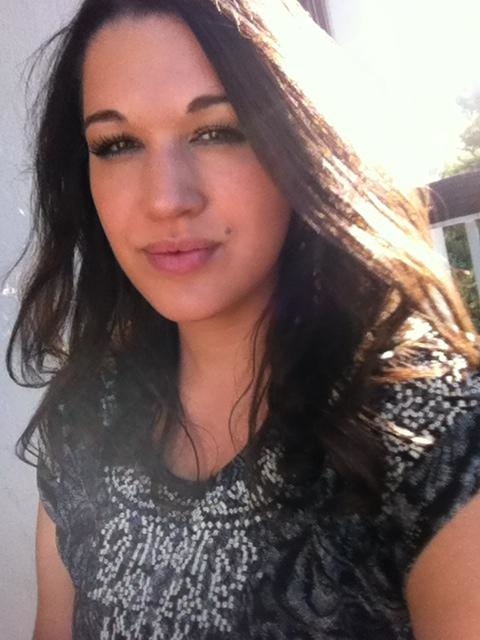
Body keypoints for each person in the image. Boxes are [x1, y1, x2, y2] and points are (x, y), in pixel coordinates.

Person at [7, 0, 480, 638]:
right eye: (117, 144)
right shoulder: (83, 422)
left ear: (301, 141)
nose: (166, 199)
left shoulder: (436, 438)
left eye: (217, 131)